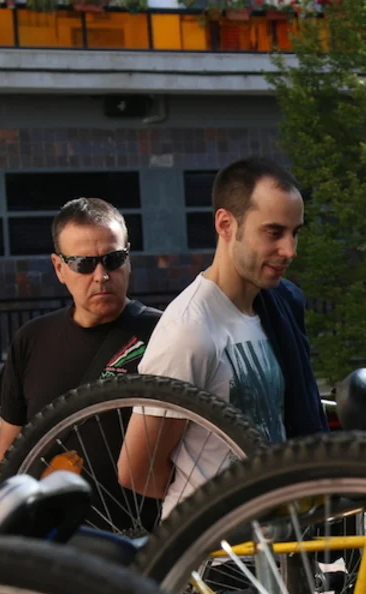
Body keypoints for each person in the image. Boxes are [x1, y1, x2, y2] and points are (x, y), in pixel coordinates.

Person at [117, 156, 327, 517]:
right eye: (273, 232)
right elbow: (138, 471)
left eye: (295, 233)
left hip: (277, 534)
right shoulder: (189, 329)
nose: (290, 250)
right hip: (213, 541)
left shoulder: (278, 306)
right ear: (226, 224)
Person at [0, 198, 162, 530]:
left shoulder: (164, 334)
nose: (101, 276)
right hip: (51, 540)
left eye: (113, 259)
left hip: (145, 538)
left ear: (128, 259)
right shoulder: (32, 339)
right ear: (59, 268)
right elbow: (9, 451)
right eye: (84, 263)